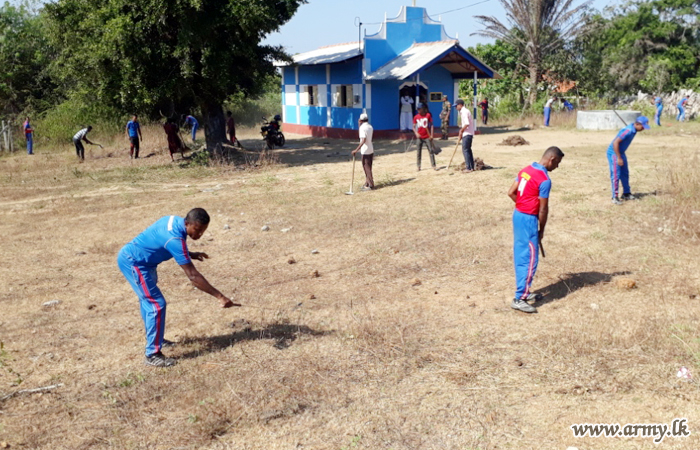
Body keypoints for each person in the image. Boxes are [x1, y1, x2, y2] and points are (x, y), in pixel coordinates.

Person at [117, 208, 238, 367]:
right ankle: (152, 354)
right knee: (156, 304)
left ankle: (156, 339)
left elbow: (165, 241)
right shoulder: (174, 238)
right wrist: (220, 297)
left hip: (145, 262)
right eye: (197, 230)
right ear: (187, 223)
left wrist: (190, 254)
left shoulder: (174, 221)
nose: (199, 234)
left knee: (149, 302)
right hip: (135, 263)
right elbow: (193, 276)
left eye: (203, 231)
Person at [507, 146, 565, 313]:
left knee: (521, 254)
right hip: (528, 220)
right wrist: (541, 229)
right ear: (552, 159)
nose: (557, 167)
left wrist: (522, 205)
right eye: (557, 163)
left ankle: (524, 292)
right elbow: (543, 209)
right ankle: (519, 298)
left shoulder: (526, 169)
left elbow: (511, 192)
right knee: (530, 259)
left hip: (518, 215)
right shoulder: (544, 180)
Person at [607, 116, 650, 205]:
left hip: (621, 152)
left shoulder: (634, 130)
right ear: (637, 124)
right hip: (614, 153)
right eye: (642, 127)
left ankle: (626, 193)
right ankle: (614, 197)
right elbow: (615, 143)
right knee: (616, 174)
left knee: (625, 173)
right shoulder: (628, 131)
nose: (643, 129)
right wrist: (618, 158)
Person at [351, 113, 374, 191]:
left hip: (365, 150)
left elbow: (363, 140)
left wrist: (356, 150)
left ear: (360, 120)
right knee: (368, 167)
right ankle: (367, 183)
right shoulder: (370, 127)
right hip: (371, 148)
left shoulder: (362, 128)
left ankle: (370, 185)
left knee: (366, 167)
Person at [413, 103, 436, 171]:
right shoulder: (416, 117)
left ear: (423, 109)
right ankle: (418, 166)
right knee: (418, 152)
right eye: (418, 109)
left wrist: (431, 135)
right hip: (419, 137)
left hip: (427, 137)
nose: (418, 110)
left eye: (420, 109)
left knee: (431, 151)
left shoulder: (428, 115)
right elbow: (413, 127)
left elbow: (431, 125)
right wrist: (416, 133)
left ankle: (433, 165)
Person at [454, 99, 475, 173]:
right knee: (468, 150)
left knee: (465, 150)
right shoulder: (463, 112)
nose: (455, 108)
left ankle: (469, 167)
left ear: (460, 105)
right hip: (468, 133)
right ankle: (472, 166)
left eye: (456, 106)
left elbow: (467, 123)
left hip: (467, 133)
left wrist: (461, 130)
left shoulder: (464, 112)